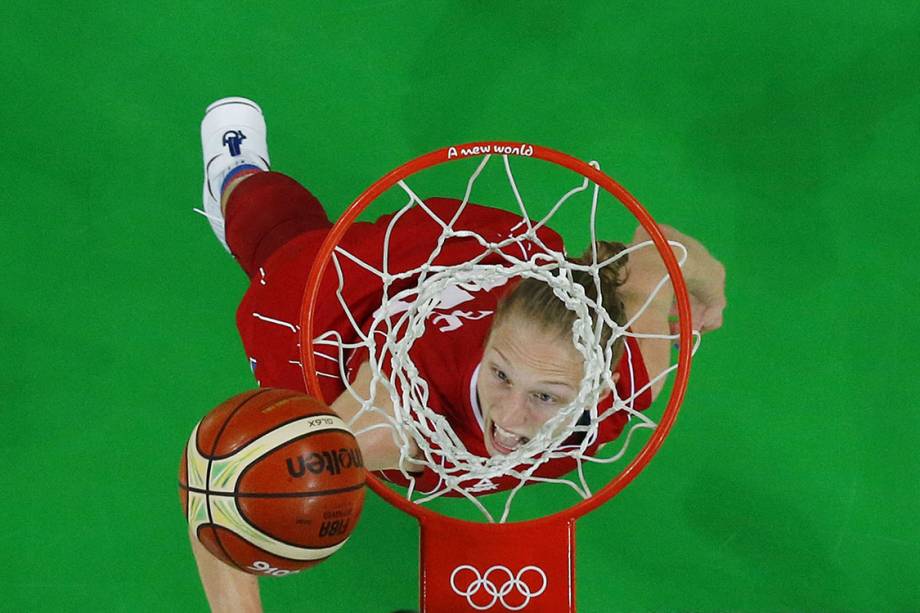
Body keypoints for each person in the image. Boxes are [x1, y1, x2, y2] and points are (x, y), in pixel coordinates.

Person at [191, 97, 727, 612]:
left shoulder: (635, 372)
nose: (510, 418)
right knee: (283, 243)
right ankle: (236, 172)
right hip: (353, 308)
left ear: (600, 381)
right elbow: (223, 479)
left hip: (478, 276)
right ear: (491, 334)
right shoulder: (385, 420)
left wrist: (711, 290)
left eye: (545, 396)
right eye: (500, 373)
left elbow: (663, 250)